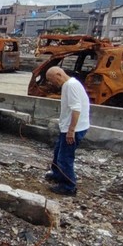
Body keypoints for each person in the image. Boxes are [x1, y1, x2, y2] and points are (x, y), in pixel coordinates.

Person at [44, 66, 90, 196]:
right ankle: (57, 174)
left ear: (58, 74)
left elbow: (76, 109)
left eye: (51, 79)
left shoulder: (71, 86)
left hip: (74, 129)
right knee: (58, 151)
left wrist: (71, 131)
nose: (51, 82)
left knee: (65, 158)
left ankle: (68, 186)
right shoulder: (68, 85)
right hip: (68, 127)